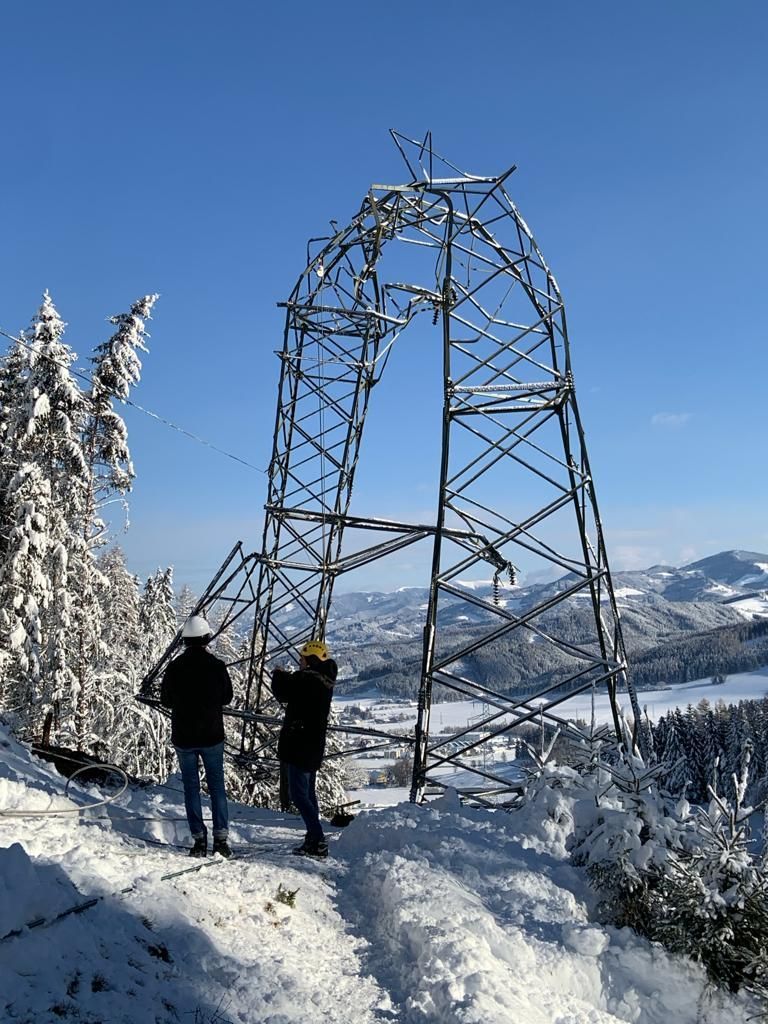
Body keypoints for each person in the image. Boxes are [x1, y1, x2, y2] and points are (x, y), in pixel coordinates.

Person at [160, 615, 233, 858]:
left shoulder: (174, 668)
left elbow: (166, 700)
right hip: (212, 735)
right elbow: (226, 698)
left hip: (184, 737)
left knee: (191, 788)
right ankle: (221, 839)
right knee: (216, 786)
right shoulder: (217, 666)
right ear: (206, 638)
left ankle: (199, 839)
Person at [271, 639, 338, 858]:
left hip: (298, 744)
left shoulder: (306, 680)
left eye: (301, 658)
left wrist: (278, 675)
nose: (299, 662)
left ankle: (317, 839)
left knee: (298, 795)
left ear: (309, 660)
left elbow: (283, 691)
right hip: (313, 744)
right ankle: (312, 836)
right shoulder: (324, 680)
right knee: (308, 792)